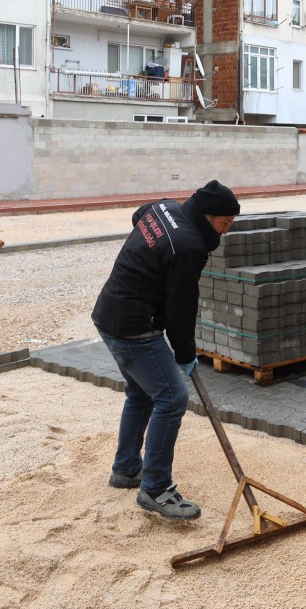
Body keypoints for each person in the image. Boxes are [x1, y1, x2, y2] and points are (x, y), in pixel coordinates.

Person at [92, 179, 240, 520]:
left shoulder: (165, 207)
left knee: (142, 394)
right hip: (133, 328)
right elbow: (181, 308)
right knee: (172, 398)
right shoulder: (188, 247)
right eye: (224, 224)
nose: (227, 232)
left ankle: (127, 469)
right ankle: (156, 488)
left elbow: (139, 216)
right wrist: (186, 355)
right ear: (207, 215)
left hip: (109, 315)